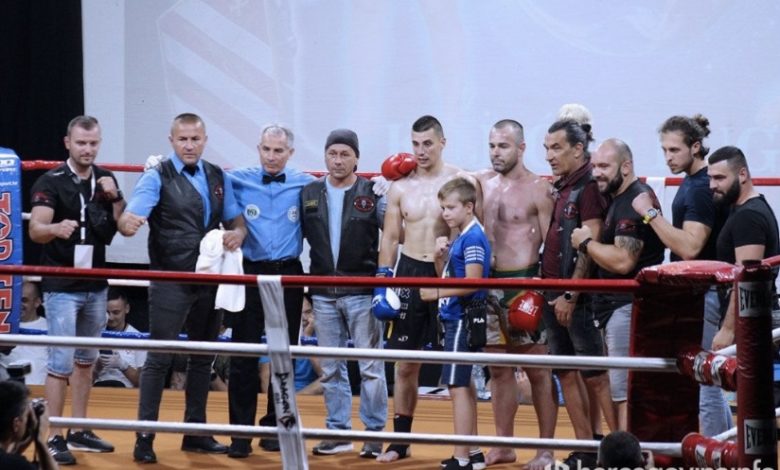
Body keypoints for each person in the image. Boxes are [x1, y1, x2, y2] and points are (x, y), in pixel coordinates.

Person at [118, 113, 246, 463]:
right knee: (159, 358)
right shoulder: (156, 176)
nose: (189, 145)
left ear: (204, 140)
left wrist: (238, 234)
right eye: (183, 139)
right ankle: (144, 438)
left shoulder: (217, 176)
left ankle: (196, 433)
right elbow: (129, 219)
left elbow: (236, 220)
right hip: (170, 279)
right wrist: (128, 223)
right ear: (171, 141)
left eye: (195, 139)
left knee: (203, 358)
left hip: (209, 277)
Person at [374, 115, 471, 464]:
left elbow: (475, 229)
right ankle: (400, 442)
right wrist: (383, 280)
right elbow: (390, 237)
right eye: (415, 144)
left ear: (442, 142)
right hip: (410, 271)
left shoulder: (462, 181)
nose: (421, 151)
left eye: (428, 143)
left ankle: (466, 447)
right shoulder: (400, 187)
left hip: (449, 271)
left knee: (458, 365)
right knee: (405, 365)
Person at [631, 114, 732, 437]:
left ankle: (718, 453)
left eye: (674, 150)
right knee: (707, 379)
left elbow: (690, 247)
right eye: (664, 150)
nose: (668, 157)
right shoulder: (693, 182)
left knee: (706, 383)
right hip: (701, 293)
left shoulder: (700, 187)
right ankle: (728, 451)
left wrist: (650, 214)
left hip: (705, 294)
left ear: (696, 147)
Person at [28, 115, 121, 465]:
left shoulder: (105, 178)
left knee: (86, 361)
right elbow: (36, 229)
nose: (87, 149)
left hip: (95, 283)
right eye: (81, 143)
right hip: (62, 286)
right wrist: (55, 228)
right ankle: (53, 436)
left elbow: (121, 225)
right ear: (68, 143)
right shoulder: (51, 181)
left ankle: (78, 429)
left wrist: (116, 197)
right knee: (60, 363)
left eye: (93, 143)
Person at [225, 124, 314, 458]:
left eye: (278, 151)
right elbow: (206, 180)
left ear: (290, 153)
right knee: (243, 355)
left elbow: (340, 187)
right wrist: (157, 168)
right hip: (250, 272)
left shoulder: (306, 183)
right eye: (266, 149)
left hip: (289, 273)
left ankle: (277, 426)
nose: (271, 157)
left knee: (283, 354)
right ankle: (240, 434)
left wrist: (380, 185)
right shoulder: (237, 179)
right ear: (258, 148)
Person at [475, 119, 557, 468]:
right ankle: (503, 445)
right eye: (492, 145)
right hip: (488, 284)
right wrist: (392, 179)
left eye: (503, 146)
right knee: (498, 370)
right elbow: (440, 175)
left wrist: (546, 288)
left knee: (538, 371)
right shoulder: (480, 183)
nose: (496, 152)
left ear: (521, 148)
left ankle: (545, 449)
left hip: (525, 282)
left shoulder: (539, 189)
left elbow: (553, 245)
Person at [301, 129, 388, 458]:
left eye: (344, 154)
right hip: (323, 292)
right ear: (325, 155)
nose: (338, 160)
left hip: (362, 291)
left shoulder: (372, 192)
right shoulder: (309, 192)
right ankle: (338, 432)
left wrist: (393, 192)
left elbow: (397, 231)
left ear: (356, 158)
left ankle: (374, 434)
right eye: (332, 153)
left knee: (371, 366)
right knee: (331, 367)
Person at [571, 138, 665, 430]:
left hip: (627, 307)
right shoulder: (621, 199)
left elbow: (624, 261)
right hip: (620, 308)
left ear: (626, 166)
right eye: (595, 166)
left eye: (604, 166)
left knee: (625, 395)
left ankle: (629, 453)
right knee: (624, 391)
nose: (596, 173)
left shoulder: (634, 201)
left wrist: (586, 243)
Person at [541, 120, 618, 441]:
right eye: (546, 148)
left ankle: (621, 449)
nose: (549, 156)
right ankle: (586, 446)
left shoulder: (588, 187)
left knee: (596, 376)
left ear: (577, 149)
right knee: (565, 373)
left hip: (578, 299)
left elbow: (590, 242)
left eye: (556, 148)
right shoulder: (565, 185)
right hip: (552, 292)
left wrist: (571, 295)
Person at [419, 177, 490, 470]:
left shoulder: (472, 238)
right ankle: (473, 453)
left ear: (469, 207)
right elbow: (451, 276)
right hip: (456, 317)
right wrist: (441, 258)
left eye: (450, 207)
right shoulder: (463, 236)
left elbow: (474, 282)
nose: (445, 213)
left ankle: (462, 457)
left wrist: (435, 293)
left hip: (461, 318)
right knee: (464, 385)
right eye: (443, 208)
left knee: (457, 386)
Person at [709, 146, 780, 351]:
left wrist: (728, 329)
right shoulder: (743, 209)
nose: (712, 185)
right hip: (751, 321)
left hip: (751, 324)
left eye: (719, 178)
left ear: (742, 174)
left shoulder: (748, 217)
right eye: (710, 178)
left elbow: (747, 280)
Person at [0, 380, 59, 470]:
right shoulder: (17, 465)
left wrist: (20, 446)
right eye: (26, 416)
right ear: (16, 424)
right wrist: (40, 440)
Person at [93, 289, 146, 388]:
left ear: (127, 309)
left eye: (116, 312)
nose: (111, 317)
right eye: (106, 312)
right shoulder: (92, 335)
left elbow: (143, 383)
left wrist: (123, 366)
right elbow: (79, 381)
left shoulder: (138, 338)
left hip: (125, 391)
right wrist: (97, 368)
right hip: (97, 389)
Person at [1, 282, 48, 385]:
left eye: (24, 300)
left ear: (37, 302)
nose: (18, 305)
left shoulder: (50, 328)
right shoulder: (2, 326)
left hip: (40, 390)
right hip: (7, 391)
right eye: (15, 300)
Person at [294, 294, 322, 395]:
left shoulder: (321, 334)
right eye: (298, 313)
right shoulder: (280, 333)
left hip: (311, 393)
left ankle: (294, 401)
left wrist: (307, 338)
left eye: (308, 312)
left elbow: (323, 373)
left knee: (331, 378)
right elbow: (266, 375)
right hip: (283, 392)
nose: (304, 318)